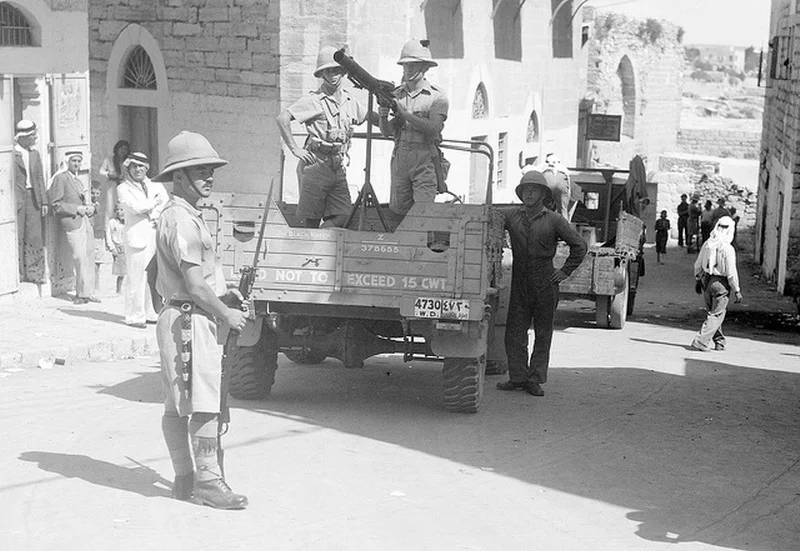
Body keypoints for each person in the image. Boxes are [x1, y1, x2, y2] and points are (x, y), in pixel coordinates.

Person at [152, 131, 249, 509]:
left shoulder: (186, 215)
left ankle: (184, 479)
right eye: (199, 171)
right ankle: (207, 483)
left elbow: (192, 280)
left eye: (211, 170)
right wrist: (225, 312)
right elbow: (194, 284)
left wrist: (222, 295)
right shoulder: (181, 219)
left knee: (177, 404)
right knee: (204, 402)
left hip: (181, 315)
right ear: (178, 177)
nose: (209, 177)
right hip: (190, 320)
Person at [496, 171, 587, 397]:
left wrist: (565, 271)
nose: (529, 194)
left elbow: (580, 245)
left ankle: (535, 379)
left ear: (542, 194)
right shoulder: (512, 216)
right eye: (525, 190)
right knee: (515, 331)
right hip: (520, 280)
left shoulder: (554, 220)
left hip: (545, 281)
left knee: (543, 332)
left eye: (534, 190)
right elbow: (491, 215)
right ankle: (517, 377)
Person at [276, 46, 373, 228]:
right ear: (322, 74)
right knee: (310, 220)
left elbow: (371, 117)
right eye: (328, 71)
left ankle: (323, 236)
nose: (333, 75)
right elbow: (283, 119)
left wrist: (390, 112)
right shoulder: (314, 100)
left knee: (343, 216)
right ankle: (311, 251)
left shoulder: (349, 101)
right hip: (316, 165)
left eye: (337, 70)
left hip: (337, 166)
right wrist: (295, 149)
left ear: (343, 71)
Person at [379, 39, 449, 215]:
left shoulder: (436, 96)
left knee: (423, 212)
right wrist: (382, 114)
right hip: (401, 157)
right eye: (406, 66)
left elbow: (434, 128)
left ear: (425, 68)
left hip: (425, 158)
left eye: (414, 66)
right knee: (399, 210)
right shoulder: (397, 94)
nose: (408, 70)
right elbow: (387, 132)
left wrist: (406, 115)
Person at [117, 152, 168, 328]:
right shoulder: (123, 188)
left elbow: (165, 203)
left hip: (153, 234)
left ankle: (150, 312)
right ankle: (134, 316)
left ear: (146, 168)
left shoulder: (156, 185)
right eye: (134, 166)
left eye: (141, 166)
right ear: (128, 168)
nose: (138, 170)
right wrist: (153, 204)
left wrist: (152, 212)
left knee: (152, 277)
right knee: (135, 278)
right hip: (136, 237)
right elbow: (134, 207)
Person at [48, 150, 99, 304]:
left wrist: (88, 208)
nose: (76, 164)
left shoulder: (78, 180)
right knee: (79, 257)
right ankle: (81, 294)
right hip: (72, 222)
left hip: (84, 221)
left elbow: (81, 201)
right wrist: (77, 209)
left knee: (89, 256)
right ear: (67, 162)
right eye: (73, 161)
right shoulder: (61, 179)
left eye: (78, 161)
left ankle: (87, 293)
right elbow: (56, 204)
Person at [691, 216, 742, 352]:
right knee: (716, 314)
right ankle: (701, 341)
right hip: (721, 284)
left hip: (707, 281)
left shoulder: (708, 243)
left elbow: (698, 264)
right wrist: (736, 289)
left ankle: (719, 342)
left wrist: (698, 279)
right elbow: (731, 272)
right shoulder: (728, 249)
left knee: (713, 313)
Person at [12, 120, 48, 285]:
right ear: (23, 137)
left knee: (34, 235)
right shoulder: (12, 154)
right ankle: (18, 273)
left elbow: (40, 178)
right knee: (18, 235)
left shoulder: (34, 154)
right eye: (32, 136)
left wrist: (44, 202)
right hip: (17, 199)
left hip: (33, 198)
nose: (35, 138)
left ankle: (34, 273)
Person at [98, 140, 130, 225]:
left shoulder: (128, 162)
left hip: (124, 188)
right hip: (111, 188)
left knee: (124, 208)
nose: (123, 151)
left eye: (125, 149)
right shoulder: (109, 160)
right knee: (110, 209)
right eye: (121, 148)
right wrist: (109, 174)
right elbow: (101, 172)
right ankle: (109, 230)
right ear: (117, 149)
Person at [90, 181, 111, 294]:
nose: (95, 195)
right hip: (92, 235)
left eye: (97, 193)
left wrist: (107, 239)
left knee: (98, 262)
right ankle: (93, 285)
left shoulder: (101, 206)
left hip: (100, 235)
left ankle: (97, 284)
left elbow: (105, 221)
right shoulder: (89, 205)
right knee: (92, 261)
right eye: (93, 193)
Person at [540, 153, 572, 220]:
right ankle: (564, 227)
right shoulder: (563, 167)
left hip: (546, 181)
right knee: (563, 209)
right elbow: (568, 182)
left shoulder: (543, 166)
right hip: (561, 183)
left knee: (544, 208)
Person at [106, 203, 126, 294]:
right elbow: (108, 235)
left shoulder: (127, 222)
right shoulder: (112, 222)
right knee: (121, 271)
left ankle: (128, 289)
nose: (119, 212)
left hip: (127, 247)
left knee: (130, 269)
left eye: (121, 210)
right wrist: (112, 248)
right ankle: (118, 289)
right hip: (118, 247)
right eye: (117, 210)